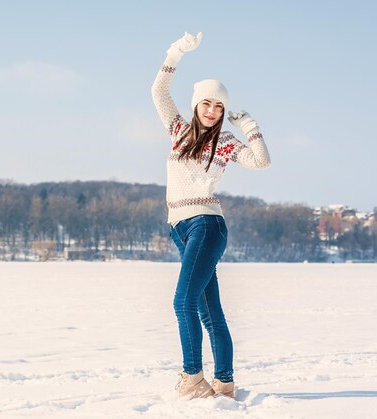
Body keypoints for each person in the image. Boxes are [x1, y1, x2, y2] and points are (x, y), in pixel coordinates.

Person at [151, 32, 271, 400]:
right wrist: (176, 52)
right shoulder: (178, 132)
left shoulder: (226, 143)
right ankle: (225, 383)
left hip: (206, 224)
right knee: (208, 311)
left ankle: (191, 378)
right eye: (207, 103)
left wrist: (250, 128)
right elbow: (159, 91)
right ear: (196, 104)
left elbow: (261, 162)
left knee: (183, 302)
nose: (213, 111)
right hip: (181, 228)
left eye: (219, 107)